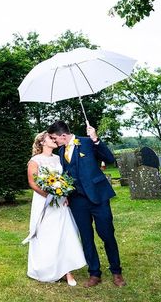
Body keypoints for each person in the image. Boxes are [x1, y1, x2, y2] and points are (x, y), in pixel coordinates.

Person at [47, 120, 127, 288]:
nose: (54, 141)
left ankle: (116, 272)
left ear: (63, 135)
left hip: (98, 196)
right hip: (77, 201)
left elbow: (110, 159)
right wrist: (65, 193)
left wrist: (96, 139)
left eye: (55, 138)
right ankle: (94, 273)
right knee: (86, 237)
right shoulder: (61, 152)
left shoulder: (87, 141)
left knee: (107, 234)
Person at [24, 131, 86, 285]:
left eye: (54, 137)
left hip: (61, 202)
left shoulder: (58, 158)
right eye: (50, 138)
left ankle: (67, 271)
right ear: (42, 142)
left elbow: (64, 178)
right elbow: (32, 183)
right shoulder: (35, 160)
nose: (54, 139)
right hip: (44, 202)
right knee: (47, 235)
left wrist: (63, 194)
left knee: (64, 234)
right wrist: (50, 196)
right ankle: (47, 268)